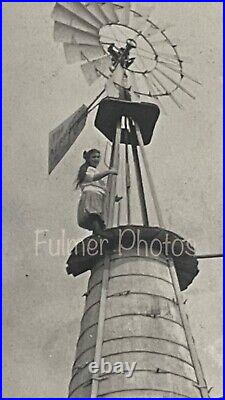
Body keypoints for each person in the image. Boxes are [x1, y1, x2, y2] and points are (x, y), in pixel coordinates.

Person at [75, 149, 118, 235]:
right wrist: (109, 171)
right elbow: (94, 177)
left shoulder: (94, 170)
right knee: (95, 217)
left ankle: (97, 236)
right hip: (92, 196)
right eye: (93, 157)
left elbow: (101, 187)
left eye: (98, 157)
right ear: (88, 159)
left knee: (99, 220)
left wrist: (113, 198)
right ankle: (98, 235)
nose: (96, 159)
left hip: (98, 197)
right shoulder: (88, 170)